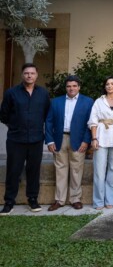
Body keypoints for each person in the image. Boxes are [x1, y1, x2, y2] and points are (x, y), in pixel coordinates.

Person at [0, 63, 50, 215]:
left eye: (32, 73)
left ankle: (33, 200)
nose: (29, 75)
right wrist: (14, 126)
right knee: (13, 171)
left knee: (33, 170)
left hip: (36, 139)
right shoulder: (11, 93)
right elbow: (3, 114)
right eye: (26, 73)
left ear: (36, 75)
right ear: (22, 75)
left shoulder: (43, 93)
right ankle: (9, 202)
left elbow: (47, 114)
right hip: (16, 139)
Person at [45, 75, 94, 211]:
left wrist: (86, 140)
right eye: (68, 86)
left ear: (79, 87)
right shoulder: (56, 102)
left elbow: (90, 123)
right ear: (65, 87)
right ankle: (59, 200)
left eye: (74, 86)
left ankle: (75, 199)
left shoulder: (88, 102)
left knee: (76, 170)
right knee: (60, 170)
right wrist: (49, 140)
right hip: (60, 138)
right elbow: (49, 121)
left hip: (78, 140)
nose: (71, 88)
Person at [88, 76, 113, 209]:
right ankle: (98, 201)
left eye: (112, 83)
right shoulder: (99, 101)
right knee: (99, 170)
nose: (109, 86)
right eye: (107, 84)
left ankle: (110, 200)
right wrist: (94, 138)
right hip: (101, 137)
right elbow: (93, 121)